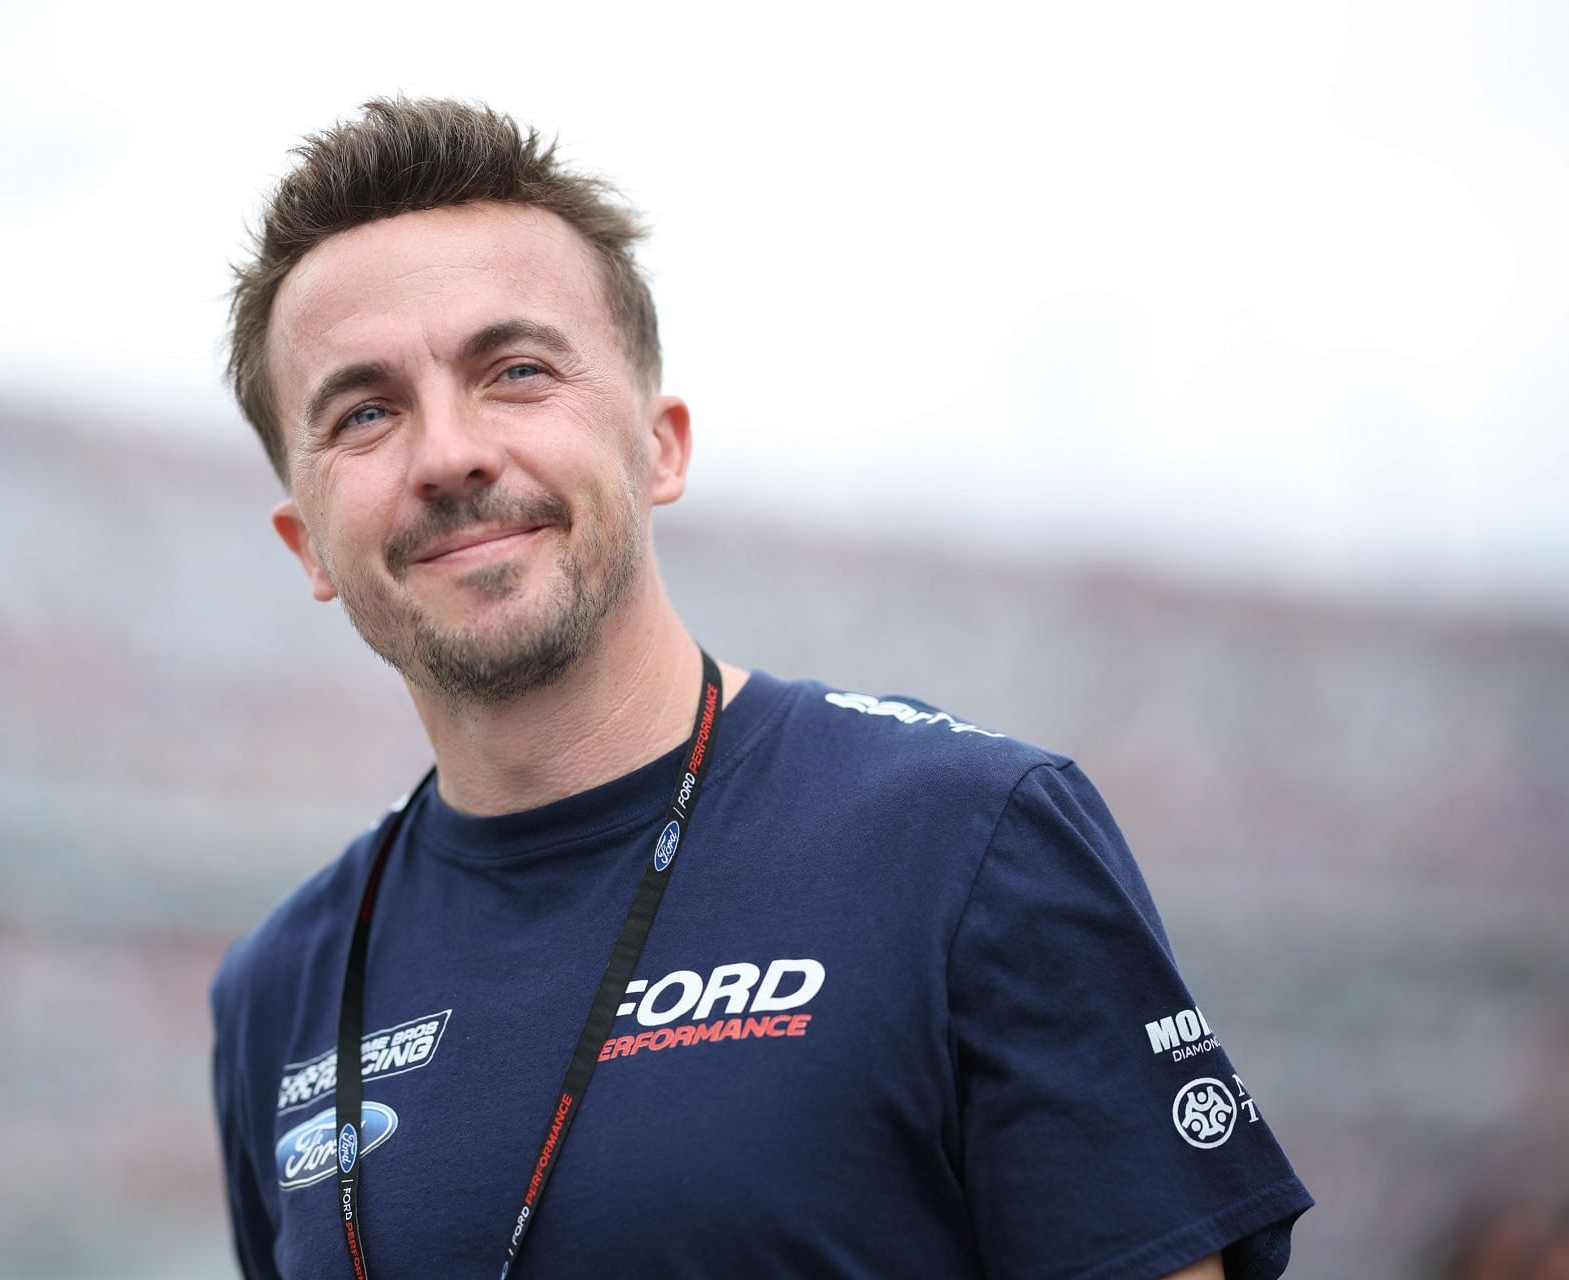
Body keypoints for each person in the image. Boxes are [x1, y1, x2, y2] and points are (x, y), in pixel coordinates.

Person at [209, 97, 1314, 1280]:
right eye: (365, 412)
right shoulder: (281, 985)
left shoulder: (966, 840)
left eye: (516, 370)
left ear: (661, 443)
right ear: (307, 543)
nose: (447, 454)